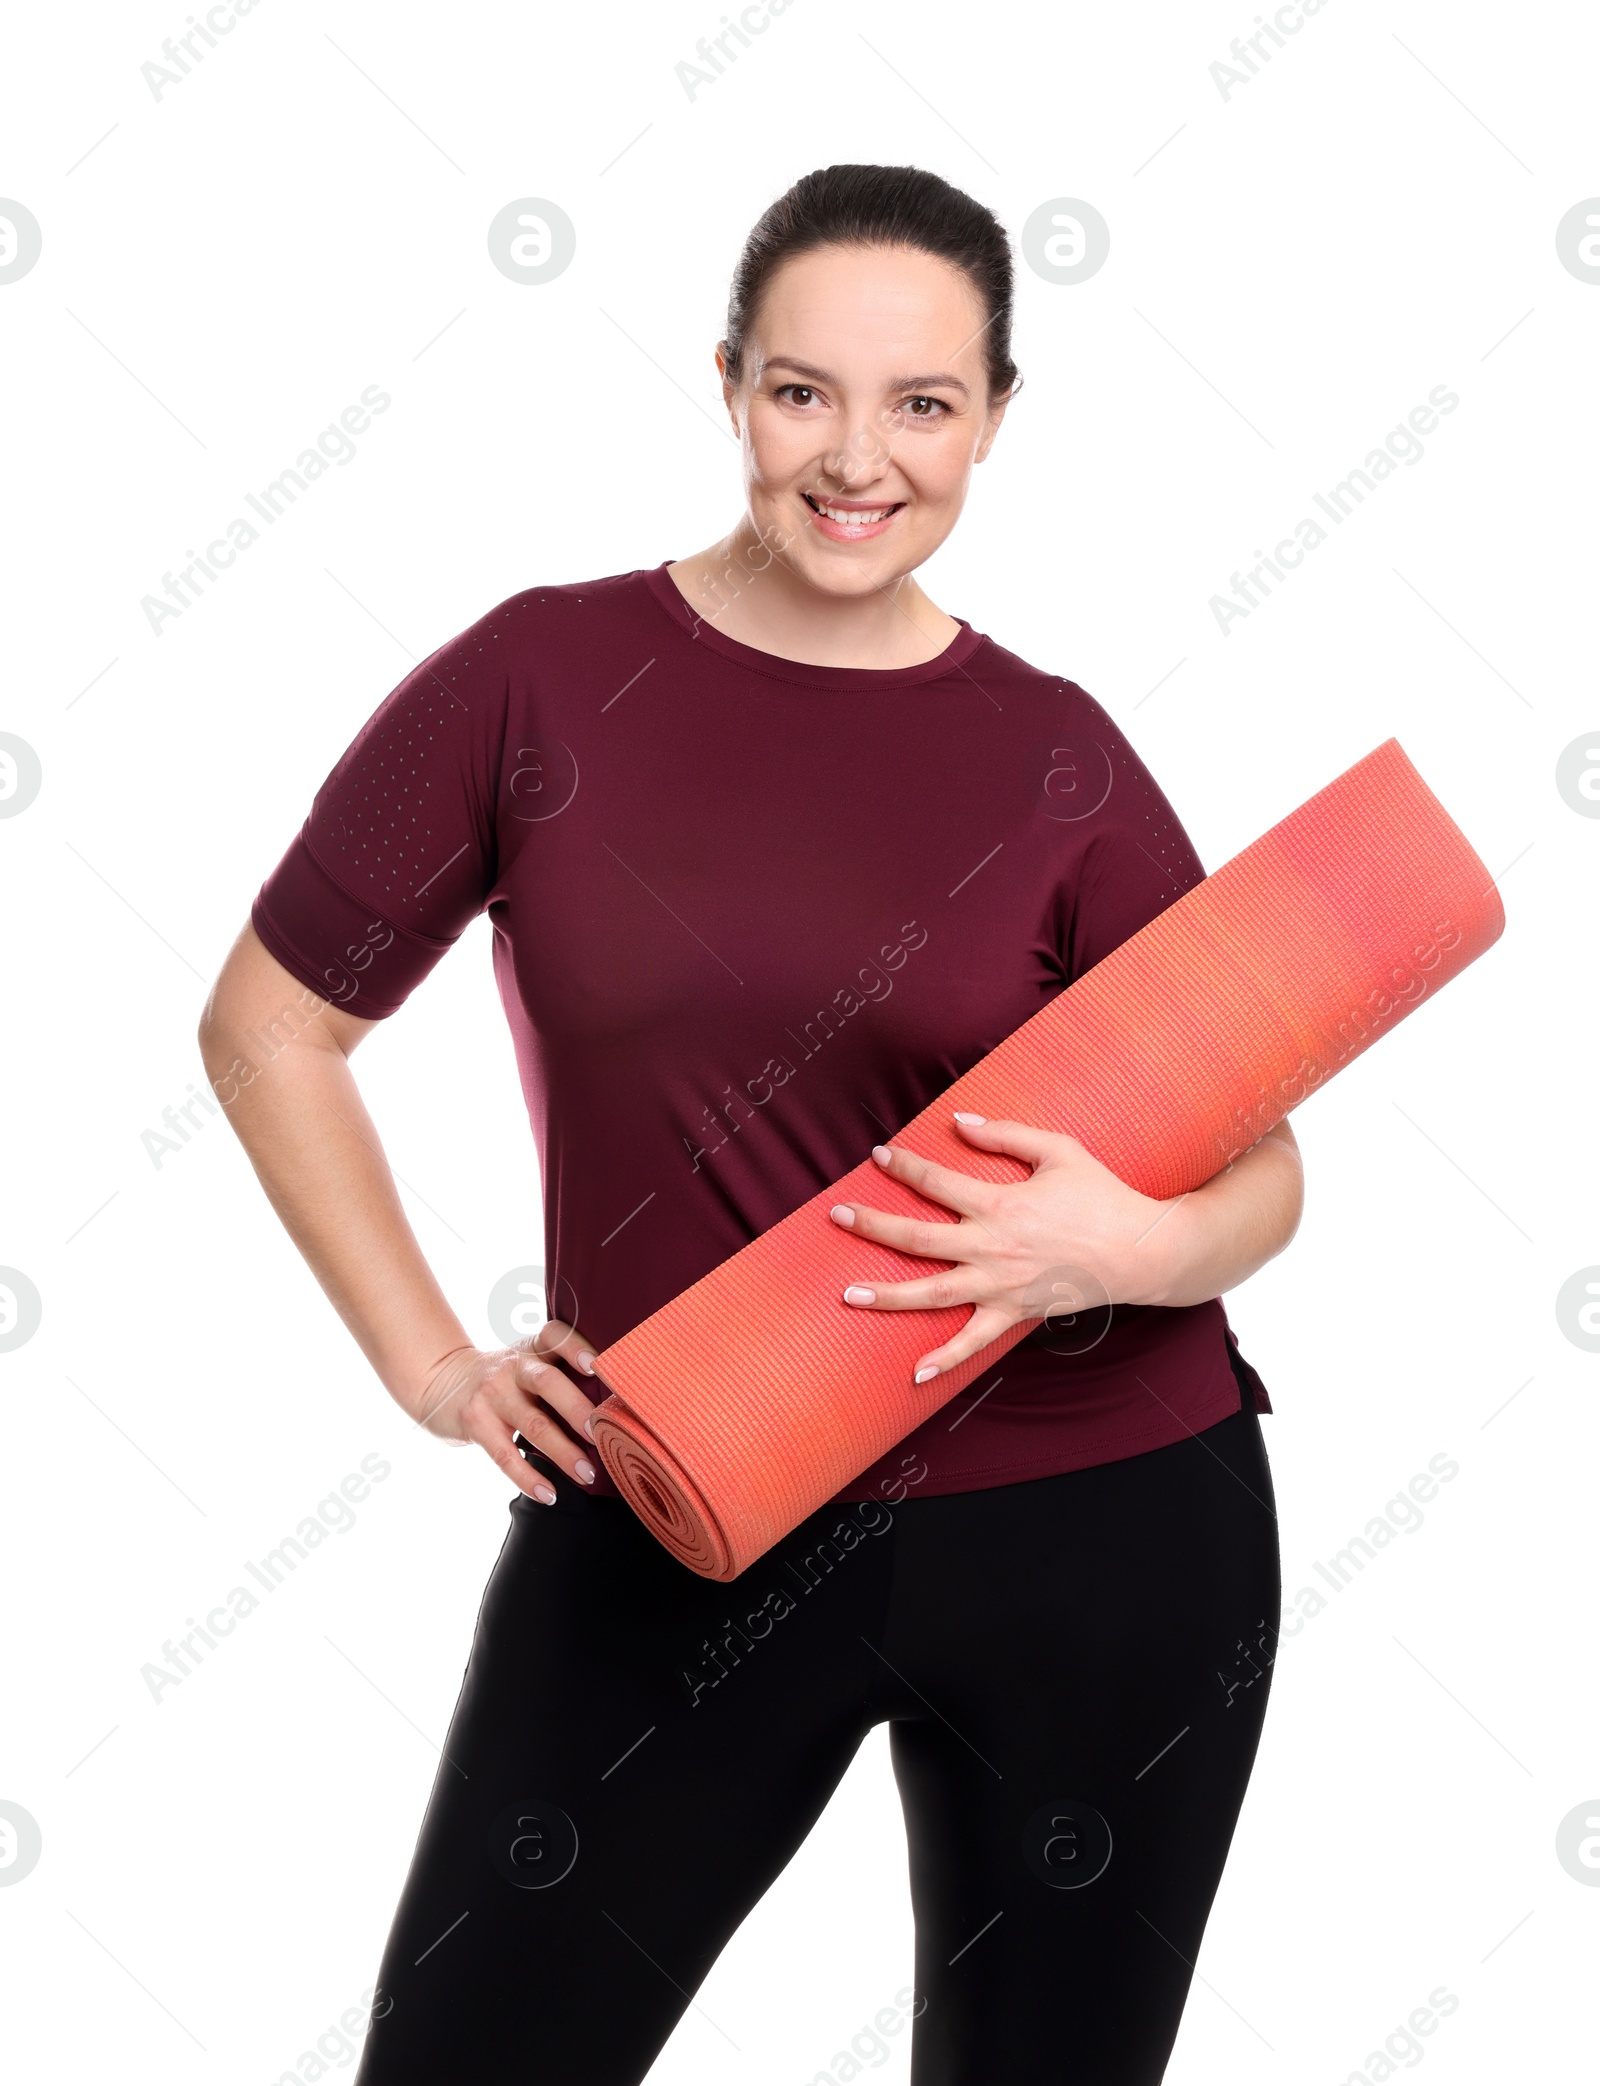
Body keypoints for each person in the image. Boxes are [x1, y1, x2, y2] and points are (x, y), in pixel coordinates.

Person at [200, 162, 1299, 2085]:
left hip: (1107, 1524)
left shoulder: (1060, 752)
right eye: (804, 391)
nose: (856, 458)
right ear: (726, 387)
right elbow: (269, 1029)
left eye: (923, 404)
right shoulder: (536, 682)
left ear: (997, 421)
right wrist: (439, 1369)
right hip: (677, 1508)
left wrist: (1120, 1248)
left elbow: (1260, 1162)